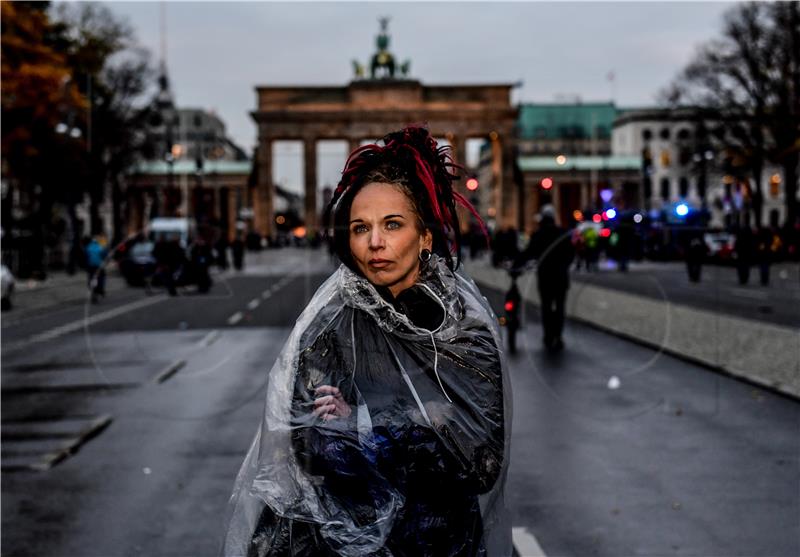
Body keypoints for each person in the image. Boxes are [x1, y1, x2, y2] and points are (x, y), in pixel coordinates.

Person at [222, 127, 511, 557]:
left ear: (425, 236)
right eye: (361, 227)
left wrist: (358, 422)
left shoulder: (464, 337)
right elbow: (309, 450)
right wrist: (426, 418)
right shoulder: (328, 328)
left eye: (392, 224)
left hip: (444, 545)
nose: (375, 242)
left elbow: (480, 461)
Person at [516, 205, 575, 352]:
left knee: (546, 307)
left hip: (545, 277)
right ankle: (558, 335)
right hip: (561, 277)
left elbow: (528, 253)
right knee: (560, 307)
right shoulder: (563, 234)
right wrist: (564, 266)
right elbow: (571, 254)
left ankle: (548, 335)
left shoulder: (538, 234)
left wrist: (516, 265)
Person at [84, 236, 107, 303]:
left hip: (91, 267)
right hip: (99, 266)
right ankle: (101, 290)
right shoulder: (100, 247)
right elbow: (104, 255)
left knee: (91, 279)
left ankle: (93, 293)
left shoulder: (88, 248)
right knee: (102, 278)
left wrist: (86, 266)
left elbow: (86, 257)